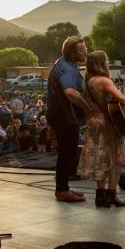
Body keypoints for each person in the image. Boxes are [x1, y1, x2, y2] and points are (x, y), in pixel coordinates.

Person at [77, 51, 125, 207]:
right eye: (107, 60)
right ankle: (111, 195)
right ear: (101, 63)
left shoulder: (87, 82)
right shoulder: (104, 80)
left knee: (99, 159)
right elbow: (120, 97)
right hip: (109, 124)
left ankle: (100, 196)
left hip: (94, 123)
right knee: (116, 158)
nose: (108, 62)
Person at [46, 36, 91, 203]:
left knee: (67, 152)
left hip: (60, 114)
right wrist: (88, 107)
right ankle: (62, 191)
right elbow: (70, 92)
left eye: (85, 48)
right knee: (67, 153)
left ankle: (63, 187)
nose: (85, 51)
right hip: (63, 116)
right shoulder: (68, 69)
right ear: (71, 52)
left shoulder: (65, 63)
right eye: (81, 49)